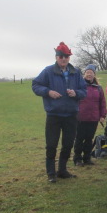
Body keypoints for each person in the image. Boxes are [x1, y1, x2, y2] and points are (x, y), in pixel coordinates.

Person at [32, 42, 87, 182]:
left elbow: (84, 91)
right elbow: (36, 85)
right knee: (51, 145)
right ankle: (51, 173)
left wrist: (76, 93)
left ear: (69, 58)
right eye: (61, 56)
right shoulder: (48, 71)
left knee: (68, 144)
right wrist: (48, 92)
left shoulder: (76, 72)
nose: (64, 59)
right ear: (56, 57)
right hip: (54, 115)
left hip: (71, 115)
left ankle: (62, 170)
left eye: (66, 56)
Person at [73, 64, 107, 166]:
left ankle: (87, 158)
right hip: (80, 117)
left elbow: (102, 103)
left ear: (94, 75)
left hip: (93, 118)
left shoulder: (99, 88)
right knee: (79, 138)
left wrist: (102, 116)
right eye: (87, 72)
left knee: (89, 139)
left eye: (91, 73)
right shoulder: (79, 86)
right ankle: (77, 159)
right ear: (84, 74)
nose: (89, 74)